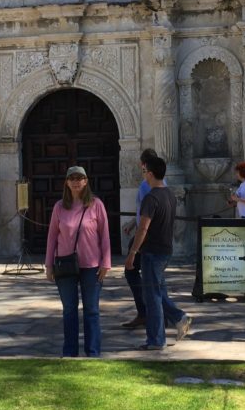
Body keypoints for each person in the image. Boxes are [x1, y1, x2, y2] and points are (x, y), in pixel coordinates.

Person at [126, 155, 192, 351]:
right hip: (165, 250)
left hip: (152, 252)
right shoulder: (169, 195)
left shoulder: (151, 197)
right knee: (158, 291)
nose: (143, 174)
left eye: (145, 171)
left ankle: (156, 339)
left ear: (151, 173)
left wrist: (132, 252)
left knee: (152, 295)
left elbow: (143, 229)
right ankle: (178, 318)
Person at [45, 166, 111, 357]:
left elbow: (104, 235)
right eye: (72, 178)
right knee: (69, 310)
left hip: (91, 266)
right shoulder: (59, 207)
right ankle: (70, 352)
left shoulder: (96, 205)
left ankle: (93, 353)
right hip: (65, 265)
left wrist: (105, 263)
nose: (75, 181)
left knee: (91, 310)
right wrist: (49, 264)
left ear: (86, 181)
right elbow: (51, 237)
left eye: (79, 178)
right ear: (66, 182)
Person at [119, 147, 163, 330]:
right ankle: (155, 314)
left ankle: (148, 313)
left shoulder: (147, 185)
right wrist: (133, 222)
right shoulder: (162, 183)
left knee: (132, 271)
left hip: (145, 237)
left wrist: (136, 243)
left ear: (144, 165)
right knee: (155, 281)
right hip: (152, 235)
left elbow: (147, 214)